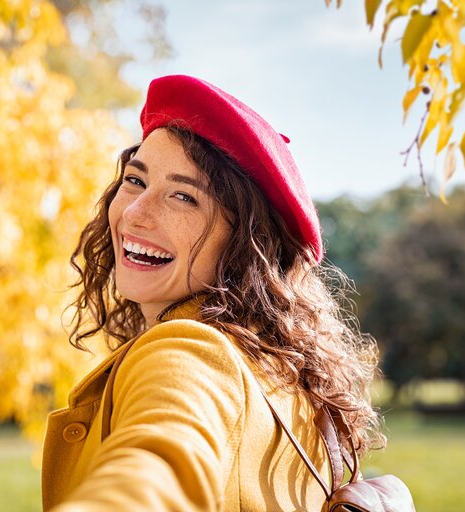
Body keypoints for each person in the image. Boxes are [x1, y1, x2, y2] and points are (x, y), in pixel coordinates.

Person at [41, 75, 383, 511]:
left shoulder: (190, 349)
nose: (135, 213)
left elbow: (160, 464)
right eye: (136, 180)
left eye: (184, 197)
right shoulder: (277, 365)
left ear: (246, 245)